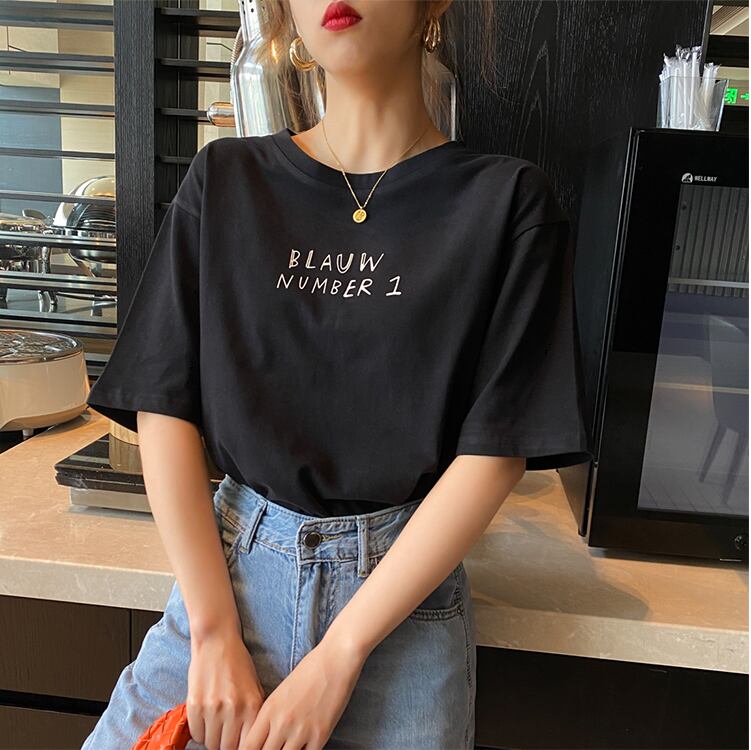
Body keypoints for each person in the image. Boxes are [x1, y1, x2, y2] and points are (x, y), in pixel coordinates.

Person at [81, 0, 592, 748]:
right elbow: (163, 402)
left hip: (401, 623)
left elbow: (496, 451)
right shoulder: (225, 180)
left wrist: (341, 653)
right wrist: (215, 631)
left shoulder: (507, 202)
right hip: (225, 589)